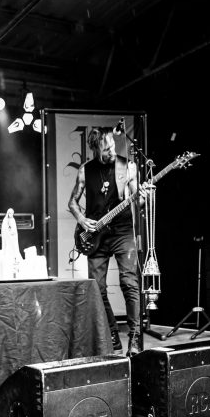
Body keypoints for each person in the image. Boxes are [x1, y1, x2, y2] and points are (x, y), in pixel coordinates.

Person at [68, 127, 145, 356]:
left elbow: (138, 201)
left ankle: (135, 337)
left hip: (122, 231)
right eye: (106, 149)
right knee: (97, 288)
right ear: (95, 148)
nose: (111, 151)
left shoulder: (127, 166)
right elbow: (72, 202)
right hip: (95, 235)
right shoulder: (85, 170)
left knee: (129, 282)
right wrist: (82, 219)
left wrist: (143, 196)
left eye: (112, 146)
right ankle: (112, 334)